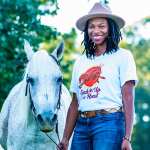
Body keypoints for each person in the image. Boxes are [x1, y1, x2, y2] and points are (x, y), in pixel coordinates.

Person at [58, 2, 138, 150]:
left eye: (101, 26)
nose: (96, 30)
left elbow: (128, 97)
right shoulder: (80, 62)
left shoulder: (123, 56)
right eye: (91, 26)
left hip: (109, 124)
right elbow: (75, 103)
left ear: (110, 28)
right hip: (81, 127)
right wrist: (65, 138)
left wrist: (127, 137)